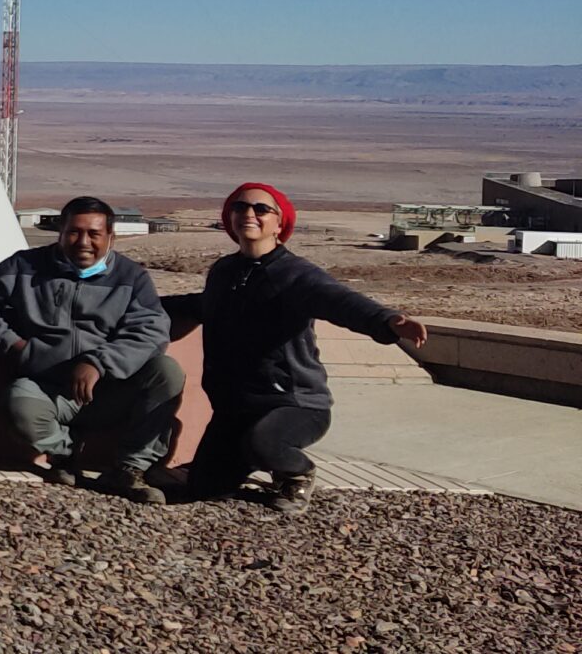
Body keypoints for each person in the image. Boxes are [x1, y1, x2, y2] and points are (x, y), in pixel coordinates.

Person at [165, 182, 428, 513]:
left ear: (280, 223)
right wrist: (141, 303)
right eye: (239, 207)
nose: (248, 213)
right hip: (236, 408)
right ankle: (247, 460)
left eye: (261, 209)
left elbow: (338, 300)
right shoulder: (224, 272)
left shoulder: (294, 275)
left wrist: (385, 320)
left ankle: (297, 473)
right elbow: (204, 305)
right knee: (205, 486)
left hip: (293, 404)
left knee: (264, 442)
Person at [0, 195, 184, 504]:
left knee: (167, 372)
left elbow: (151, 331)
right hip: (50, 387)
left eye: (94, 234)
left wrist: (99, 363)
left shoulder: (131, 278)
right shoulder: (24, 267)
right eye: (74, 231)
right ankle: (64, 456)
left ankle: (130, 469)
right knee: (20, 402)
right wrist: (14, 345)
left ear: (110, 237)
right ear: (60, 232)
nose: (83, 242)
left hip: (113, 389)